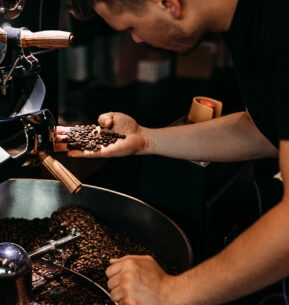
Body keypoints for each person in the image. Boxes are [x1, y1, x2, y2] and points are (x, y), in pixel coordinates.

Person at [55, 0, 289, 304]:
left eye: (131, 27)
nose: (135, 39)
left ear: (168, 3)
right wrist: (145, 140)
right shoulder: (249, 21)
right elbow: (262, 131)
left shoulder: (281, 21)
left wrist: (172, 291)